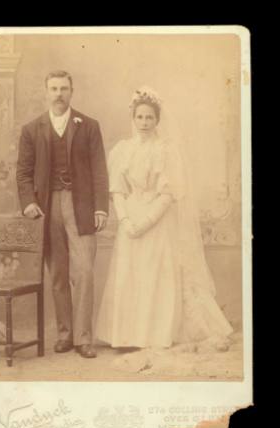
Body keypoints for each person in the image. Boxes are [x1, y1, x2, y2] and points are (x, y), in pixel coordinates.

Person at [95, 86, 233, 349]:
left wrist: (146, 222)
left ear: (158, 120)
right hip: (130, 220)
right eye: (140, 117)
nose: (145, 123)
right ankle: (128, 336)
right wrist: (125, 221)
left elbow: (168, 194)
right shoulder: (122, 150)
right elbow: (117, 190)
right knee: (130, 275)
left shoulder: (167, 150)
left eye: (150, 117)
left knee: (155, 274)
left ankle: (155, 335)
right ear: (133, 119)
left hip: (157, 220)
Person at [16, 70, 109, 358]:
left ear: (72, 91)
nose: (59, 94)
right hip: (47, 207)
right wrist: (28, 201)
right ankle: (65, 335)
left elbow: (99, 170)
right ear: (46, 91)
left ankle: (83, 339)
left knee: (84, 272)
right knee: (58, 273)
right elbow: (23, 172)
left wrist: (101, 207)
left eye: (64, 88)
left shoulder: (89, 126)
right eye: (54, 88)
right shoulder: (32, 129)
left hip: (81, 206)